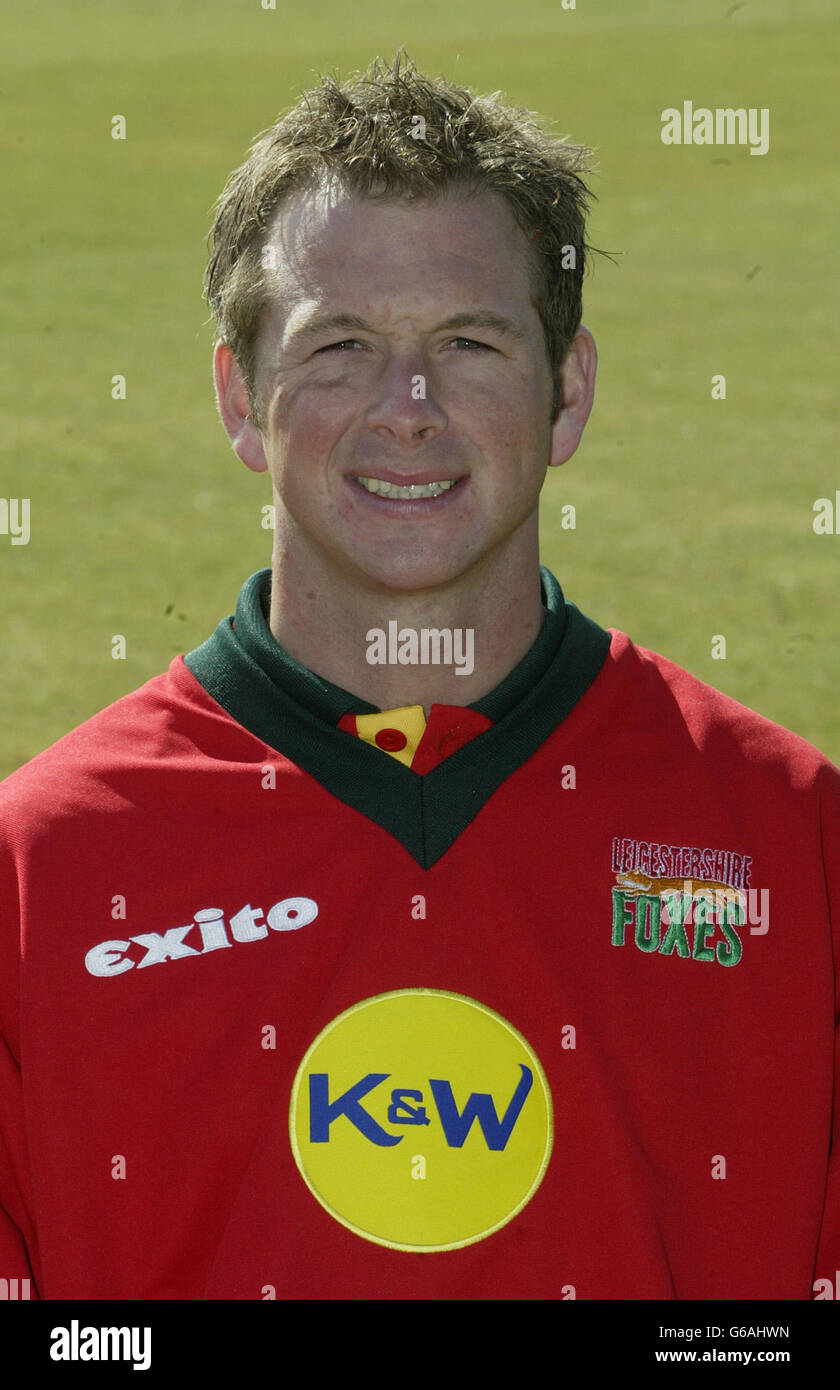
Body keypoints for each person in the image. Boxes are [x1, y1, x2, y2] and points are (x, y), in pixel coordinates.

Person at [1, 50, 838, 1303]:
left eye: (470, 341)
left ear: (568, 393)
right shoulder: (42, 873)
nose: (408, 405)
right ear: (240, 397)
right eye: (339, 344)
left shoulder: (789, 838)